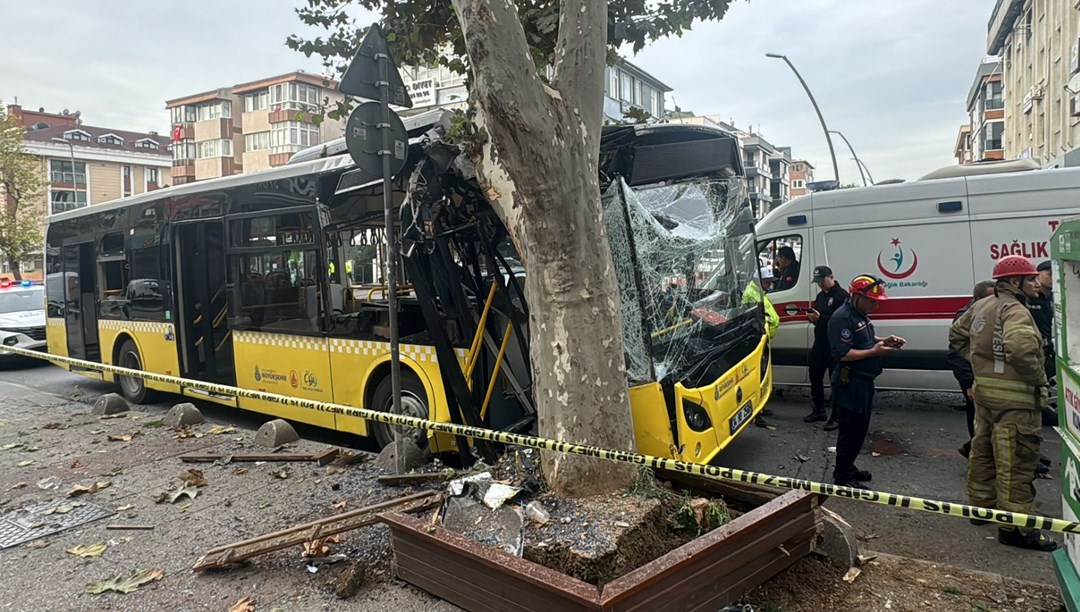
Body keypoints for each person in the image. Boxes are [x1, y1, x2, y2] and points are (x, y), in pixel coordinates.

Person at [949, 255, 1057, 552]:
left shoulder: (982, 305)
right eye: (1031, 278)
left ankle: (981, 510)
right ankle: (1015, 529)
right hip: (1016, 403)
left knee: (983, 452)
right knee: (1017, 464)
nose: (1036, 282)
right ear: (1014, 282)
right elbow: (1021, 352)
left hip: (986, 398)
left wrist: (981, 366)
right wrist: (1038, 380)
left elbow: (956, 336)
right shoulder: (1016, 311)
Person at [828, 274, 904, 489]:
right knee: (851, 430)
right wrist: (874, 351)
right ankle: (842, 475)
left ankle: (847, 465)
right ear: (857, 297)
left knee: (860, 429)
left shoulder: (859, 314)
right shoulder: (842, 318)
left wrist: (884, 341)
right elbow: (843, 354)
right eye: (872, 301)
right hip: (850, 382)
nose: (876, 306)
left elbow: (865, 339)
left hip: (864, 381)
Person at [947, 280, 996, 458]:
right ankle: (976, 453)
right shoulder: (965, 316)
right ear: (978, 299)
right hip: (973, 377)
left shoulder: (989, 313)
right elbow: (955, 353)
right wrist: (968, 382)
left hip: (987, 376)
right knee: (977, 419)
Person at [804, 265, 848, 428]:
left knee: (835, 380)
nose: (820, 285)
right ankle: (819, 410)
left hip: (834, 344)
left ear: (831, 277)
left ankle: (836, 416)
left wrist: (820, 318)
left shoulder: (842, 296)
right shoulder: (820, 296)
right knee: (815, 374)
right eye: (817, 282)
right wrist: (812, 318)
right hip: (820, 342)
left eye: (822, 281)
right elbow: (819, 316)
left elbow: (840, 321)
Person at [1028, 260, 1058, 426]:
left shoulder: (1051, 297)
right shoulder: (1031, 298)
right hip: (1032, 349)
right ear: (1038, 275)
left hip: (1046, 348)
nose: (1053, 278)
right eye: (1049, 274)